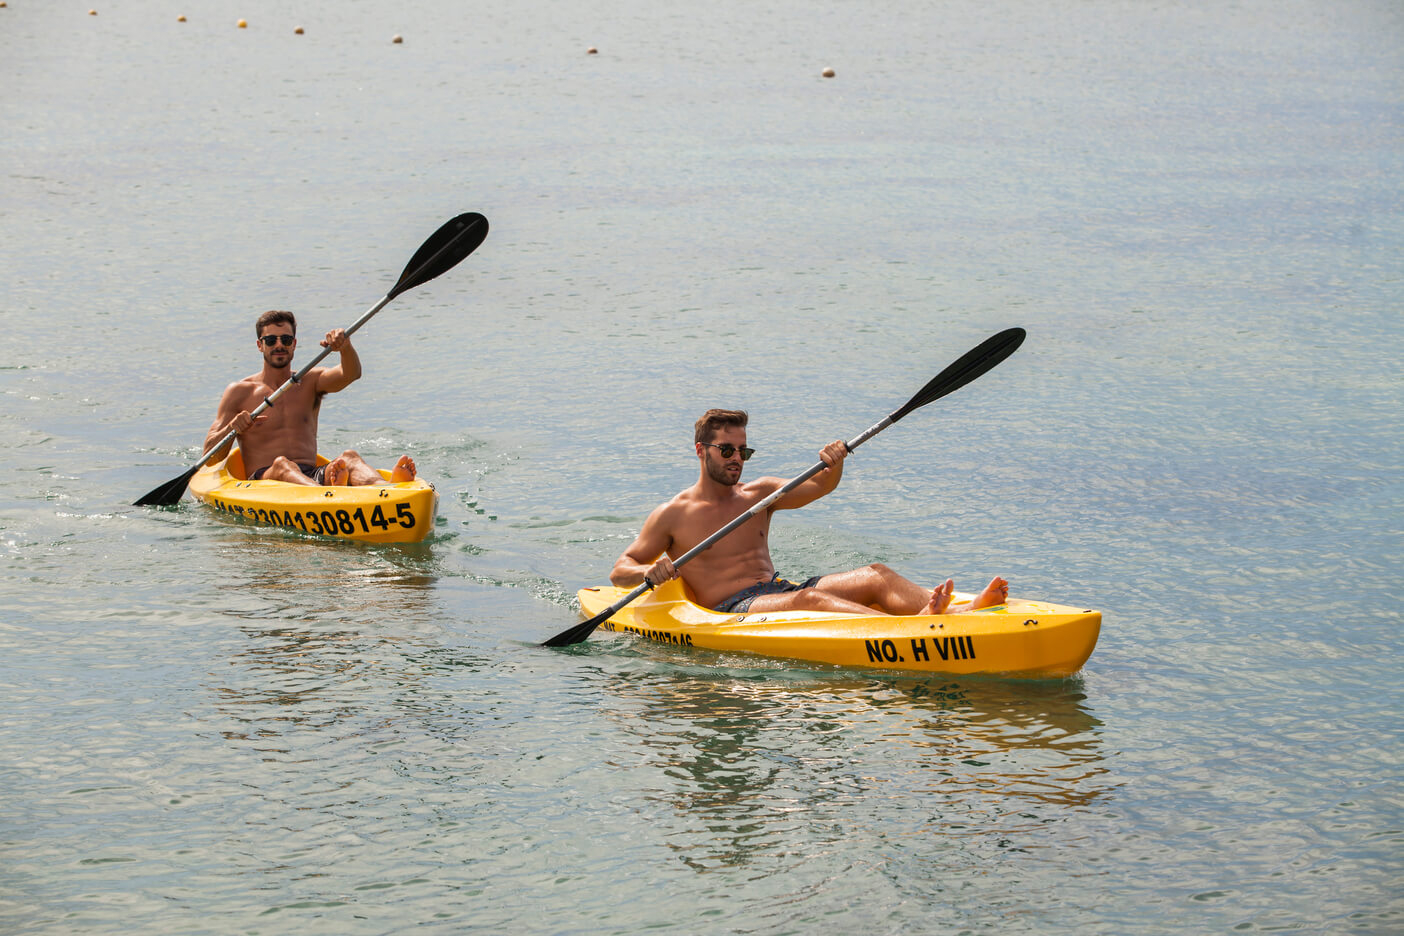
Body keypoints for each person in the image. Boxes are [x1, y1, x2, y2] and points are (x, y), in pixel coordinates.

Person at [611, 408, 1009, 615]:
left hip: (777, 590)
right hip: (732, 609)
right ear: (701, 450)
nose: (737, 459)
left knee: (875, 574)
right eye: (727, 450)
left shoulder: (760, 493)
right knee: (811, 602)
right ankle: (912, 627)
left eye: (743, 451)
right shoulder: (673, 514)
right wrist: (648, 571)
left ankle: (960, 611)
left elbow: (819, 486)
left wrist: (834, 463)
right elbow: (620, 569)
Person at [203, 310, 416, 487]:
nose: (279, 345)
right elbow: (210, 457)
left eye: (285, 339)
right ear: (260, 345)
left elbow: (350, 374)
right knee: (282, 465)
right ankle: (324, 496)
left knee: (349, 457)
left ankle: (385, 489)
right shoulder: (239, 391)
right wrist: (233, 428)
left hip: (310, 475)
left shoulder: (310, 381)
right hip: (264, 481)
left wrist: (345, 348)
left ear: (294, 344)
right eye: (270, 340)